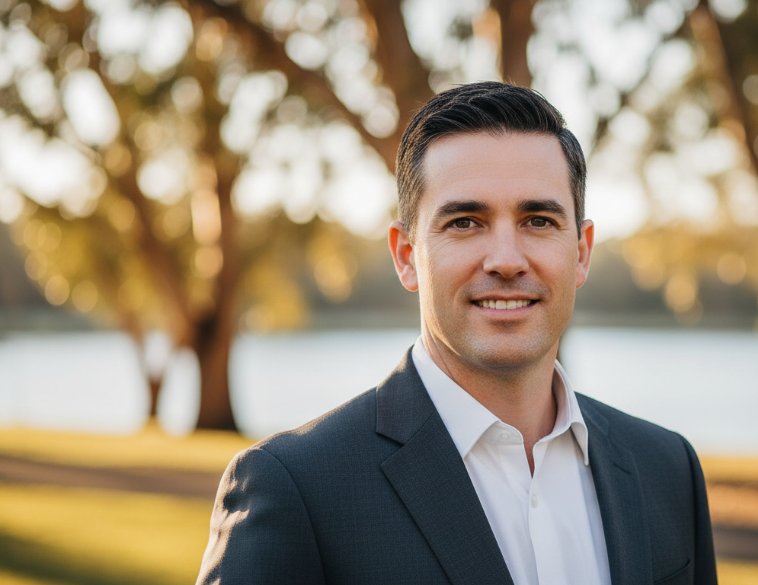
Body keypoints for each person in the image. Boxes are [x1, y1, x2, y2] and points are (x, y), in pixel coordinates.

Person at [196, 81, 717, 585]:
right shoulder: (296, 488)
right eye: (465, 222)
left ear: (580, 252)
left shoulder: (666, 469)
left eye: (538, 220)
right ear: (407, 257)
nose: (507, 261)